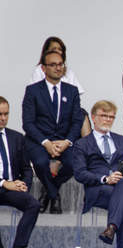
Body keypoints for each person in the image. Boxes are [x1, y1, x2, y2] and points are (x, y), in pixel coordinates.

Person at [73, 101, 123, 248]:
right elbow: (80, 173)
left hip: (121, 186)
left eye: (111, 117)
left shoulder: (122, 141)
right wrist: (104, 178)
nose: (108, 120)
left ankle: (111, 228)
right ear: (93, 118)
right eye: (104, 116)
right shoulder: (82, 144)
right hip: (99, 189)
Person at [22, 48, 82, 214]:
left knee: (74, 164)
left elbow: (77, 121)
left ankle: (47, 191)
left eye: (61, 64)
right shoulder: (32, 90)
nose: (58, 68)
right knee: (40, 163)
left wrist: (67, 141)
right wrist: (46, 143)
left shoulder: (72, 91)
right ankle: (54, 196)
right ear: (43, 68)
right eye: (53, 64)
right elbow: (28, 123)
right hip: (39, 141)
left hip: (64, 141)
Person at [0, 96, 39, 248]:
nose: (3, 118)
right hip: (3, 185)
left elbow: (27, 169)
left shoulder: (16, 137)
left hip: (12, 189)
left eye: (6, 114)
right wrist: (4, 183)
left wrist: (24, 186)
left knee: (33, 204)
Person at [28, 37, 91, 138]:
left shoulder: (69, 72)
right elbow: (36, 95)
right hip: (46, 109)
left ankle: (88, 149)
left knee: (82, 114)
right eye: (54, 49)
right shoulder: (39, 70)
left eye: (60, 49)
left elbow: (75, 96)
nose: (57, 51)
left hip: (67, 110)